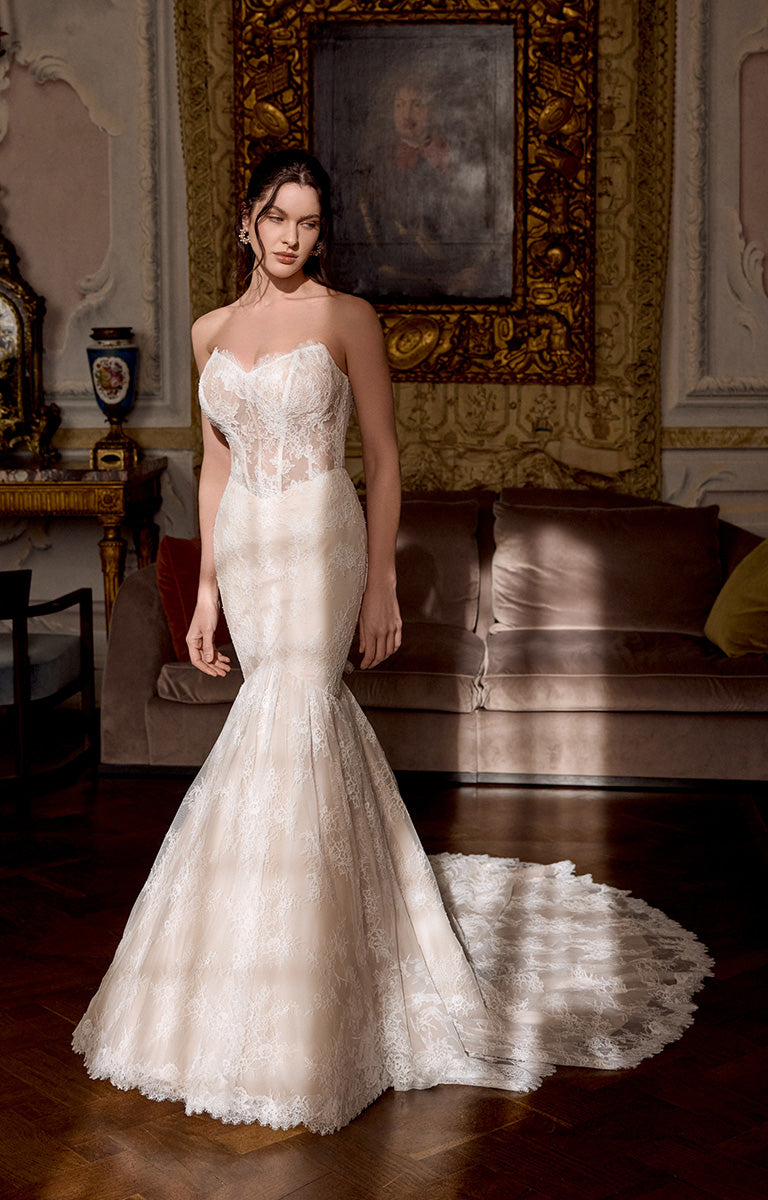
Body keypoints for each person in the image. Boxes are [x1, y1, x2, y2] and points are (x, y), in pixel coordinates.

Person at [73, 149, 712, 1135]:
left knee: (296, 713)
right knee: (272, 729)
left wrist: (379, 582)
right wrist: (201, 591)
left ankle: (321, 996)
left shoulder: (344, 318)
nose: (293, 238)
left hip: (321, 543)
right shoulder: (208, 333)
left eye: (310, 224)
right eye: (279, 218)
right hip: (245, 547)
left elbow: (386, 456)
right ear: (249, 219)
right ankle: (245, 965)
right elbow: (215, 468)